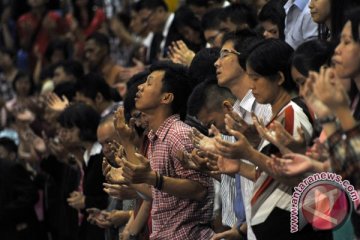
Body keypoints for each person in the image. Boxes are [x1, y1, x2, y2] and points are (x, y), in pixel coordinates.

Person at [120, 61, 214, 239]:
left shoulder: (179, 134)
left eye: (149, 83)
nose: (140, 87)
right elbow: (156, 192)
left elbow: (200, 189)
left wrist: (154, 179)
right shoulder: (155, 136)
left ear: (166, 98)